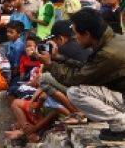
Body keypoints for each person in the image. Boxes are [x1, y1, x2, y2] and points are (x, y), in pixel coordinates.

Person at [44, 9, 125, 140]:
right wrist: (60, 59)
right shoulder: (113, 40)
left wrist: (49, 64)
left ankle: (120, 123)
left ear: (87, 34)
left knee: (75, 92)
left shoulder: (108, 53)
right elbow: (89, 69)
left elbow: (75, 79)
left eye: (76, 34)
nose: (75, 37)